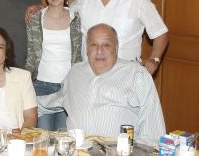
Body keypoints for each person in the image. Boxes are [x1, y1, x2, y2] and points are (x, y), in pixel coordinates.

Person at [26, 0, 168, 75]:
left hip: (125, 74)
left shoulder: (139, 1)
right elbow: (64, 10)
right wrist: (42, 8)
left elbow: (160, 33)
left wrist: (155, 59)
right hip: (88, 75)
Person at [38, 23, 166, 145]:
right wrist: (22, 100)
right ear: (87, 49)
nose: (99, 51)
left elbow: (153, 133)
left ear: (116, 48)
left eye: (106, 45)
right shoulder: (75, 73)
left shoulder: (137, 75)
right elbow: (55, 100)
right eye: (93, 44)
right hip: (76, 150)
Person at [26, 0, 82, 130]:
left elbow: (80, 55)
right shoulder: (35, 18)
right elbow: (31, 55)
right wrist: (23, 81)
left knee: (64, 139)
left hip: (69, 87)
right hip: (41, 87)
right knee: (43, 139)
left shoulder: (77, 18)